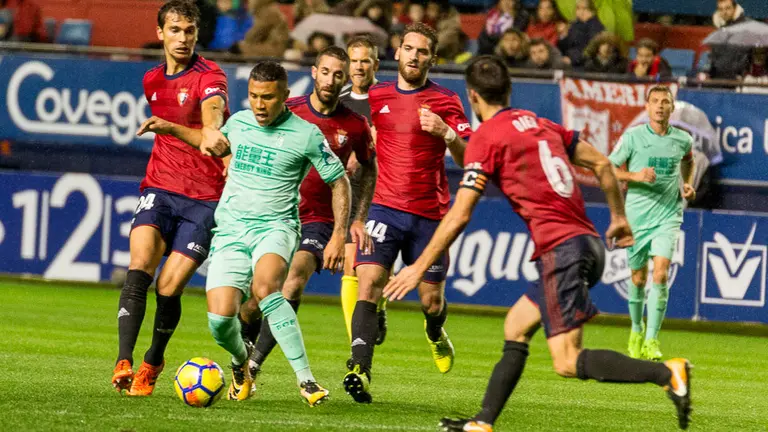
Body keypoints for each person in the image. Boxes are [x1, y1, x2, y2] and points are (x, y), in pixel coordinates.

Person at [384, 55, 692, 432]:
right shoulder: (542, 124)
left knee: (566, 361)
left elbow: (460, 214)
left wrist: (418, 267)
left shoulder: (486, 138)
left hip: (562, 251)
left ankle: (667, 373)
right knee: (515, 327)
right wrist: (617, 217)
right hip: (585, 243)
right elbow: (603, 165)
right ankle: (482, 422)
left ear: (473, 97)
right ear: (510, 89)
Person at [204, 60, 351, 406]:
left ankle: (307, 380)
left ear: (285, 95)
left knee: (267, 286)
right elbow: (211, 144)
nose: (259, 104)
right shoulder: (237, 124)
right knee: (220, 320)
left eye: (268, 97)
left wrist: (340, 233)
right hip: (230, 231)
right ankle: (242, 365)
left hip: (276, 227)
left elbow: (339, 180)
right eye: (254, 96)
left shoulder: (306, 134)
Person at [343, 22, 472, 404]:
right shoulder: (377, 95)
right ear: (397, 53)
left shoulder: (447, 101)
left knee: (431, 301)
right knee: (367, 283)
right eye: (409, 49)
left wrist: (447, 134)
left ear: (432, 58)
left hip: (430, 216)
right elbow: (364, 138)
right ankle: (359, 368)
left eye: (422, 51)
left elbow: (471, 159)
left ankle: (435, 332)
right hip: (385, 208)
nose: (414, 56)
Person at [111, 0, 231, 397]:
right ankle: (124, 362)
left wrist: (210, 129)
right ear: (161, 32)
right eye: (175, 30)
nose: (182, 38)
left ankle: (153, 362)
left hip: (204, 199)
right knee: (140, 264)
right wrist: (173, 128)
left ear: (197, 34)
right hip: (160, 187)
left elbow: (211, 116)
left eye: (189, 31)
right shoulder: (151, 80)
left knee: (168, 286)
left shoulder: (210, 75)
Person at [243, 46, 377, 378]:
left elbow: (369, 170)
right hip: (277, 214)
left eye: (338, 75)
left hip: (318, 220)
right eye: (326, 72)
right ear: (314, 72)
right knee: (252, 300)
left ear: (345, 79)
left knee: (292, 283)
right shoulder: (288, 110)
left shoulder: (355, 125)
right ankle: (244, 343)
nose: (331, 80)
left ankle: (253, 365)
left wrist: (351, 224)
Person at [608, 85, 696, 361]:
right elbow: (608, 169)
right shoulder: (633, 137)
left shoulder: (683, 139)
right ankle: (636, 329)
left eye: (665, 102)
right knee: (637, 278)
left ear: (672, 108)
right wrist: (634, 176)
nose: (659, 106)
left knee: (660, 274)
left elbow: (688, 161)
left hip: (668, 215)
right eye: (655, 101)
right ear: (646, 107)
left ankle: (652, 340)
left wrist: (688, 183)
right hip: (637, 216)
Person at [338, 36, 390, 344]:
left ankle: (378, 307)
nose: (359, 67)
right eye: (354, 60)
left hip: (383, 190)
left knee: (375, 267)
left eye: (365, 61)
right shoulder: (339, 98)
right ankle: (356, 342)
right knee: (350, 263)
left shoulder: (387, 97)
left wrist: (366, 149)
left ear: (375, 64)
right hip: (350, 191)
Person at [557, 0, 604, 68]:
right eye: (578, 8)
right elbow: (565, 47)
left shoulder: (596, 26)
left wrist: (572, 59)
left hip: (584, 64)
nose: (580, 12)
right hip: (569, 59)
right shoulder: (574, 25)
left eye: (584, 8)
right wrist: (563, 36)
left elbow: (591, 49)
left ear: (592, 11)